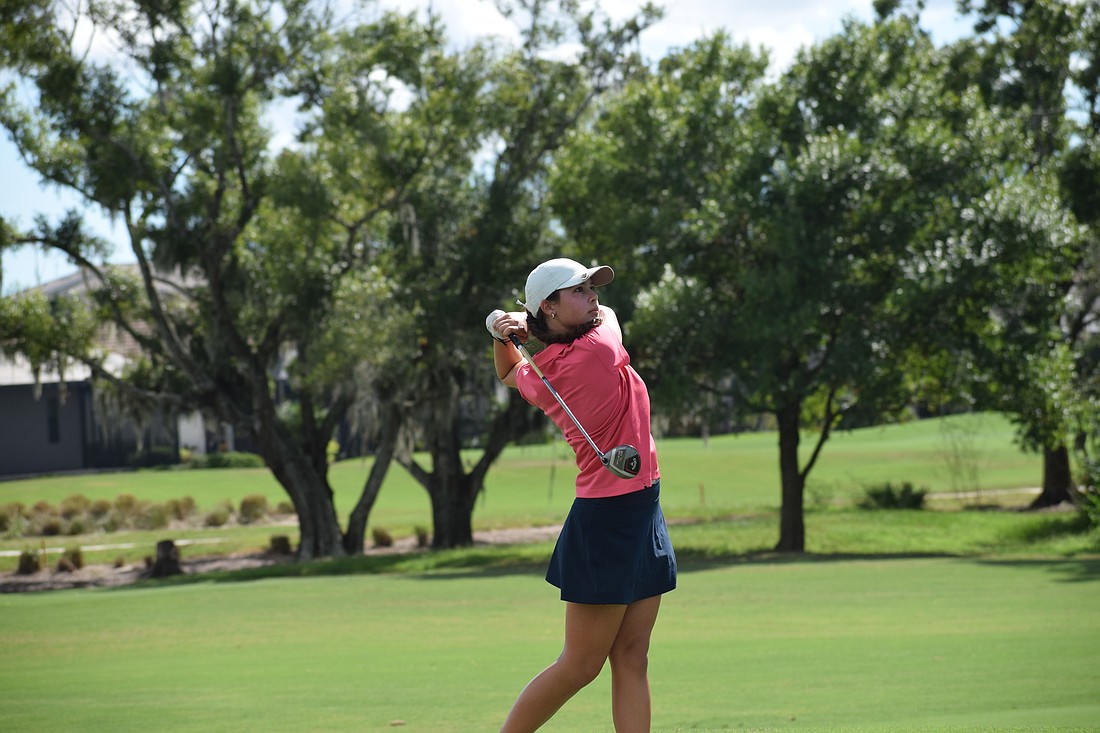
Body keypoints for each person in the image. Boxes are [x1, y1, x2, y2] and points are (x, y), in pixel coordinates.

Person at [487, 257, 677, 733]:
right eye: (580, 290)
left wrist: (500, 336)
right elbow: (609, 317)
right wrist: (511, 330)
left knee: (633, 655)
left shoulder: (545, 370)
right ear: (548, 308)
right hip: (608, 521)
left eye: (592, 288)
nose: (594, 296)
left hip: (641, 508)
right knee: (580, 666)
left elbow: (510, 374)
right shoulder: (596, 348)